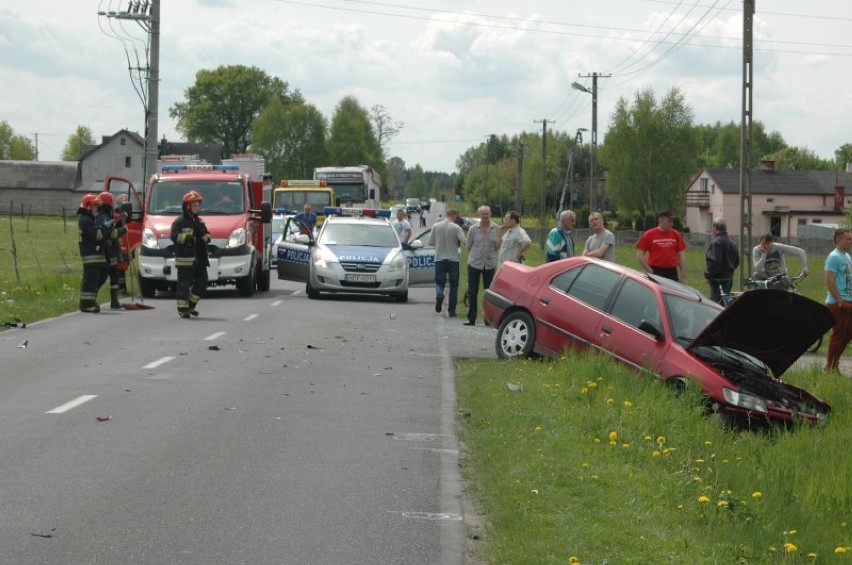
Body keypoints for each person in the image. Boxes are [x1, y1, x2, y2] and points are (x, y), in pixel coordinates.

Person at [171, 191, 211, 319]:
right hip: (185, 259)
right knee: (184, 285)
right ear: (187, 206)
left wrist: (207, 237)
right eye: (194, 205)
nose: (197, 207)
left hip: (199, 258)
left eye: (198, 204)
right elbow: (174, 236)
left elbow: (207, 234)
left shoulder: (199, 221)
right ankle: (183, 309)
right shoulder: (179, 221)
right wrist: (188, 238)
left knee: (203, 282)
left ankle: (191, 305)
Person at [464, 205, 500, 326]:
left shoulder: (496, 229)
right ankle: (471, 318)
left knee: (488, 294)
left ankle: (488, 319)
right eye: (482, 214)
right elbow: (468, 246)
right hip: (474, 263)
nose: (485, 216)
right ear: (478, 215)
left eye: (486, 213)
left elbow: (497, 247)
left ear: (490, 214)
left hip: (489, 264)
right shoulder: (473, 229)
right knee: (472, 292)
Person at [428, 208, 467, 318]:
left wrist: (439, 243)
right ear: (454, 216)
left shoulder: (436, 226)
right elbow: (464, 241)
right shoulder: (456, 227)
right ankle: (452, 310)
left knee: (439, 283)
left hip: (439, 259)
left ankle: (439, 295)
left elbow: (430, 242)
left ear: (446, 215)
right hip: (453, 260)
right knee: (454, 286)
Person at [824, 228, 852, 372]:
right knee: (839, 335)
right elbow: (830, 280)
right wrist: (840, 301)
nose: (851, 241)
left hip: (849, 301)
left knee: (848, 334)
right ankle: (830, 366)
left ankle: (834, 363)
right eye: (848, 239)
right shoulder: (834, 256)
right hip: (838, 303)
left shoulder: (847, 256)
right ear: (839, 240)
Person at [96, 191, 127, 309]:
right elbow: (112, 234)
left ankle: (115, 301)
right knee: (103, 277)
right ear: (109, 205)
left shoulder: (104, 217)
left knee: (115, 276)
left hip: (111, 252)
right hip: (107, 252)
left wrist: (120, 222)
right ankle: (92, 298)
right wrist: (123, 230)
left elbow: (110, 229)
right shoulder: (103, 218)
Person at [636, 210, 687, 283]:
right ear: (661, 220)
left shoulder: (676, 234)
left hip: (671, 271)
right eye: (669, 221)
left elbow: (681, 256)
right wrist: (650, 271)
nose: (672, 224)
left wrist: (683, 275)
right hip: (655, 270)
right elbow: (640, 255)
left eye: (672, 222)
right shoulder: (649, 234)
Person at [77, 193, 105, 313]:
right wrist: (105, 230)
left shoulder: (87, 219)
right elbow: (96, 236)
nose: (96, 209)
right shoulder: (86, 220)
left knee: (92, 280)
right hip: (90, 256)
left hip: (92, 255)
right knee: (90, 280)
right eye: (95, 206)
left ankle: (89, 302)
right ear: (88, 206)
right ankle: (86, 304)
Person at [703, 217, 740, 304]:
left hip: (717, 279)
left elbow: (714, 262)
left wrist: (708, 275)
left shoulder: (716, 242)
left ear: (715, 227)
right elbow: (736, 262)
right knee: (725, 303)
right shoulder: (732, 243)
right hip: (729, 278)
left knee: (715, 305)